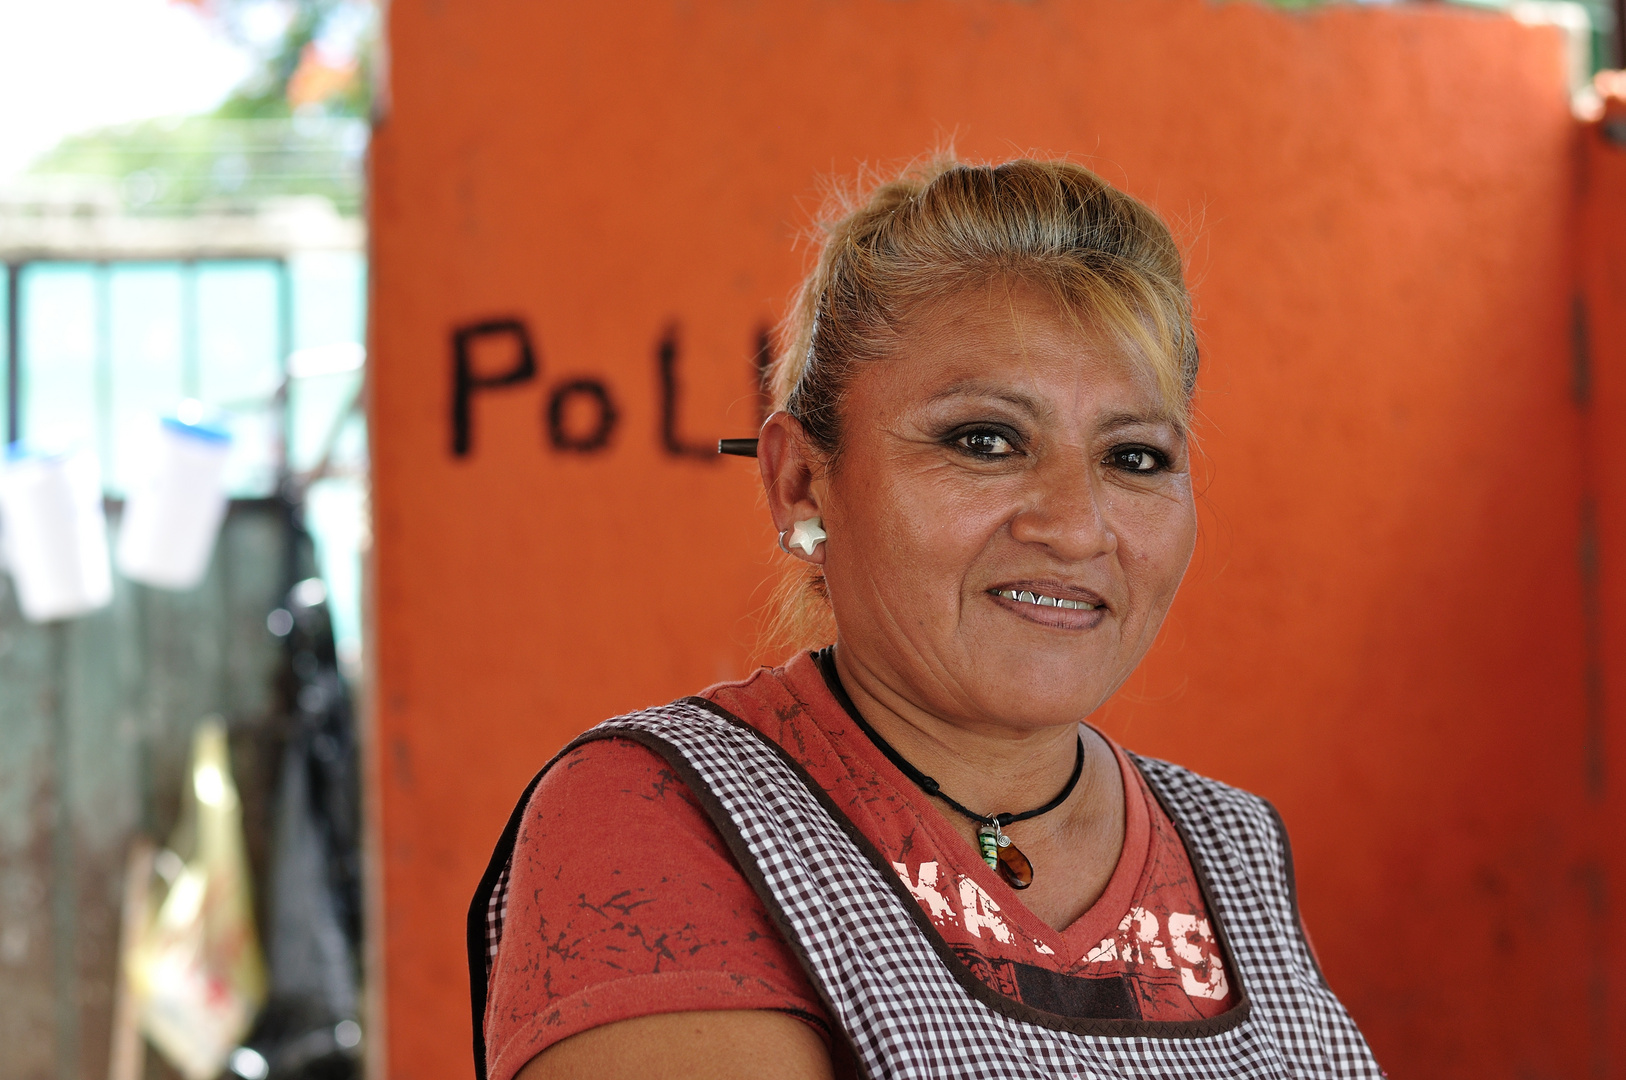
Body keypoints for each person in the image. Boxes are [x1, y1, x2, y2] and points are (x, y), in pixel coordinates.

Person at [469, 158, 1383, 1080]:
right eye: (983, 441)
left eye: (1136, 457)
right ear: (799, 482)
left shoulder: (1234, 850)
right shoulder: (668, 815)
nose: (1073, 527)